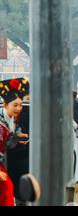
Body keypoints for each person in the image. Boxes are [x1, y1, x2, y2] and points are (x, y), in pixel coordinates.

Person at [0, 78, 28, 206]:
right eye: (15, 105)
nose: (18, 108)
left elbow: (7, 142)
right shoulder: (1, 124)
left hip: (3, 161)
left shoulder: (9, 120)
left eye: (21, 105)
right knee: (7, 189)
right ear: (5, 105)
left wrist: (18, 138)